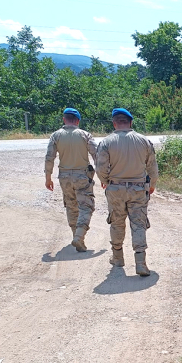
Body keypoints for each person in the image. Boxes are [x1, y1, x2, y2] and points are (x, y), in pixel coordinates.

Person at [96, 108, 159, 276]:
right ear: (130, 123)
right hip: (138, 188)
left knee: (117, 222)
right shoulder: (143, 141)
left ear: (114, 123)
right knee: (138, 224)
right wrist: (152, 184)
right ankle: (140, 262)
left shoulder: (107, 142)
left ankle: (118, 258)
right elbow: (152, 167)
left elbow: (100, 168)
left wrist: (106, 181)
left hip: (115, 188)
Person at [44, 107, 98, 252]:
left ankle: (75, 235)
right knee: (86, 206)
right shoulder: (85, 135)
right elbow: (97, 155)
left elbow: (50, 157)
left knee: (71, 206)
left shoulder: (56, 135)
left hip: (64, 176)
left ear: (64, 119)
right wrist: (104, 176)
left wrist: (48, 178)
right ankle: (79, 237)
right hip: (82, 176)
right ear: (78, 121)